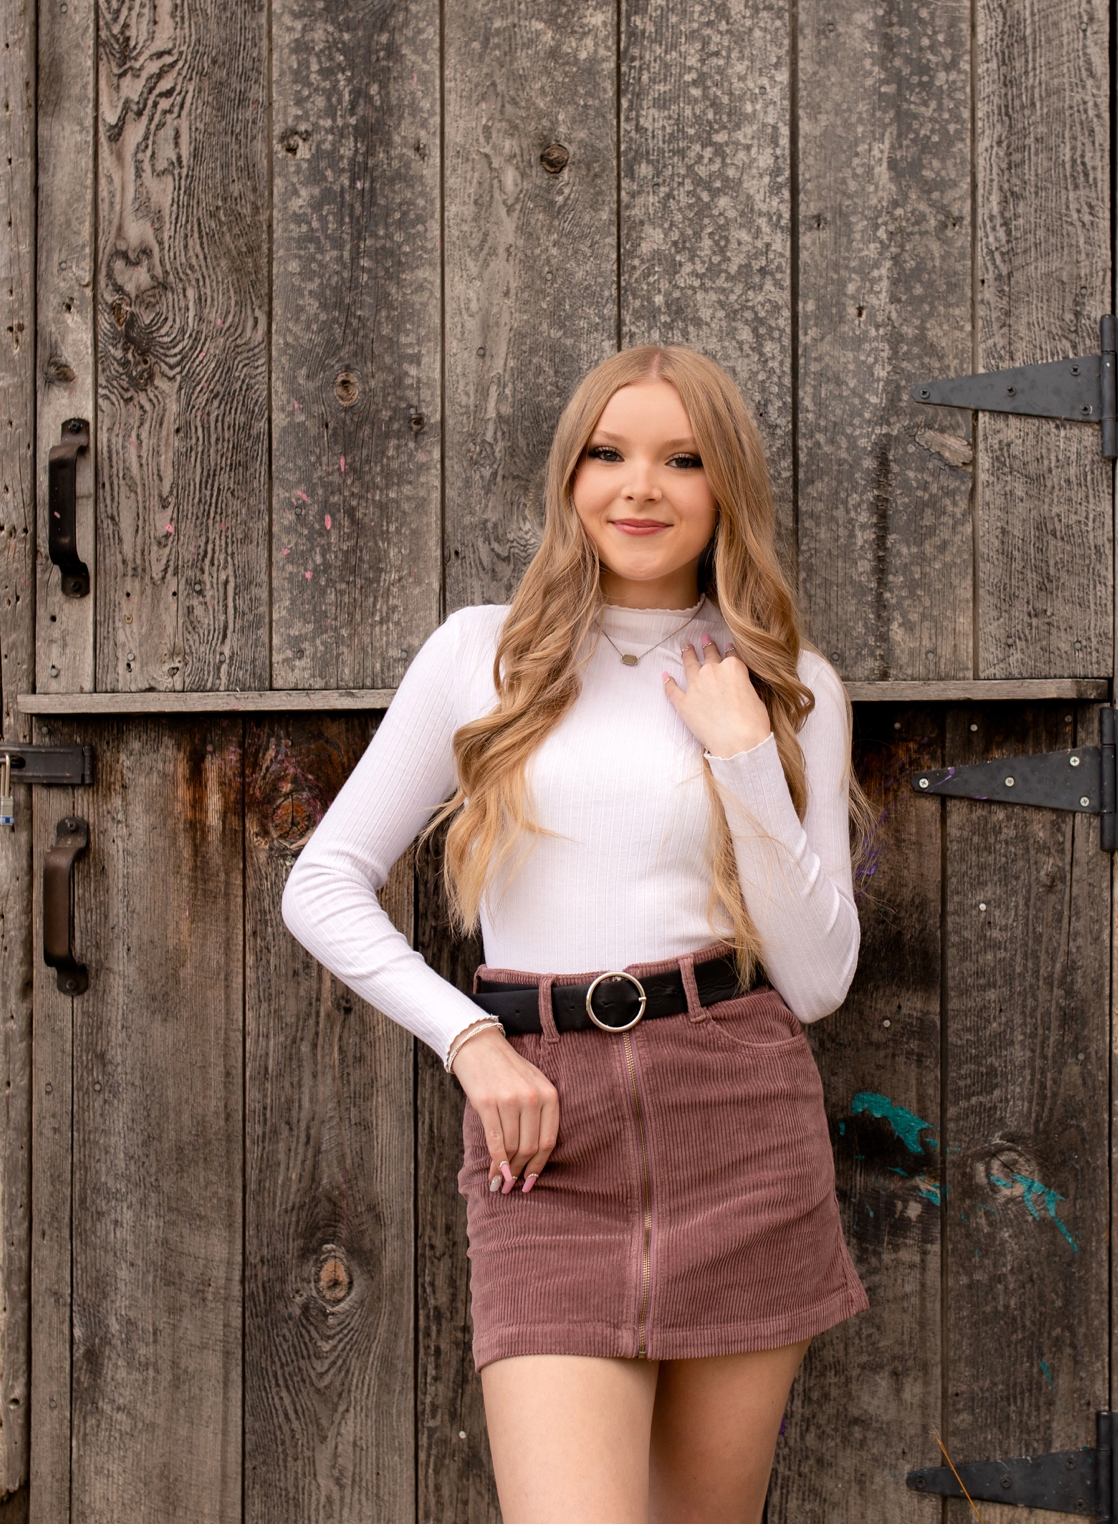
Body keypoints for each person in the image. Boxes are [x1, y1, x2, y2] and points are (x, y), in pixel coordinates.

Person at [280, 344, 867, 1521]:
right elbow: (324, 882)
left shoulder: (792, 679)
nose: (639, 487)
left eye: (681, 459)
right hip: (544, 1137)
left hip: (740, 1117)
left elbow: (814, 979)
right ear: (571, 476)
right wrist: (471, 1040)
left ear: (725, 487)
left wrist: (745, 750)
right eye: (610, 453)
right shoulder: (480, 654)